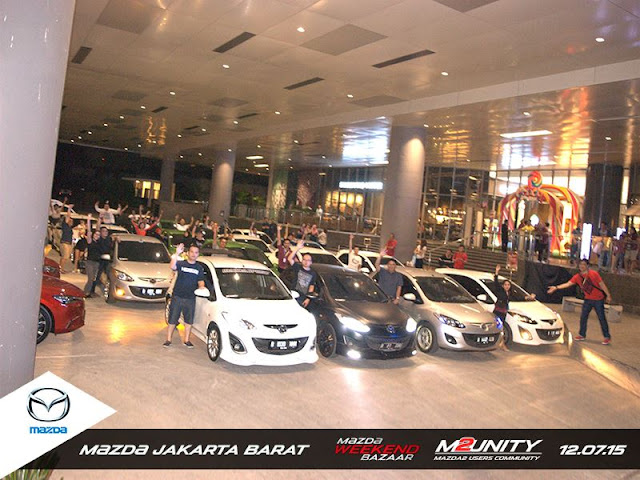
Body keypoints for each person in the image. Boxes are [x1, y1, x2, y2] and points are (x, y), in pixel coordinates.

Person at [547, 258, 612, 345]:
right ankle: (582, 334)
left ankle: (607, 336)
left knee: (601, 318)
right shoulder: (577, 277)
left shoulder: (594, 274)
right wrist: (556, 287)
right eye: (581, 264)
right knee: (583, 317)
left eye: (584, 264)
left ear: (587, 266)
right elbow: (568, 284)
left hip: (598, 299)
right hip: (588, 299)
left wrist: (608, 295)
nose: (582, 266)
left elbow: (602, 285)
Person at [164, 243, 205, 348]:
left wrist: (202, 288)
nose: (194, 254)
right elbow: (172, 266)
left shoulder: (199, 268)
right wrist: (177, 253)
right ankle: (168, 340)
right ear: (187, 253)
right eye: (192, 252)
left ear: (198, 254)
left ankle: (187, 340)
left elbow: (201, 281)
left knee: (188, 321)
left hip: (190, 298)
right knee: (173, 319)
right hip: (177, 296)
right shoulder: (181, 264)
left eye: (196, 252)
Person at [287, 240, 317, 307]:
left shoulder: (313, 273)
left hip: (303, 298)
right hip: (294, 294)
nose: (306, 262)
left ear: (311, 262)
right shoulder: (298, 267)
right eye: (304, 259)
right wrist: (297, 248)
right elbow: (289, 259)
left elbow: (311, 286)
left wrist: (308, 299)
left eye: (308, 260)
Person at [83, 215, 103, 297]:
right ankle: (85, 293)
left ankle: (89, 293)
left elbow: (98, 228)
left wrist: (99, 219)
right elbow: (89, 231)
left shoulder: (99, 242)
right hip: (90, 262)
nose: (97, 236)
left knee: (93, 279)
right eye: (96, 234)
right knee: (90, 279)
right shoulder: (90, 241)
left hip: (96, 262)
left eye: (98, 235)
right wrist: (88, 220)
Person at [91, 225, 113, 295]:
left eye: (106, 231)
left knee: (109, 276)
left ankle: (108, 290)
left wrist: (116, 239)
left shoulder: (109, 239)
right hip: (99, 260)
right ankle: (92, 290)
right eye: (103, 231)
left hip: (107, 261)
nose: (105, 232)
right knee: (96, 276)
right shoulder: (99, 240)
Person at [59, 204, 74, 273]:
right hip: (65, 243)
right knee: (65, 257)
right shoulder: (65, 225)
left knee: (66, 257)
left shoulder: (70, 228)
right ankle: (60, 268)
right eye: (70, 220)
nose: (71, 222)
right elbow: (68, 216)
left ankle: (61, 268)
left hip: (69, 243)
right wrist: (69, 209)